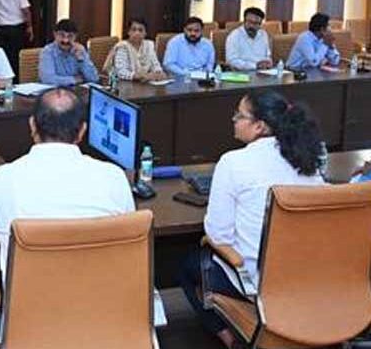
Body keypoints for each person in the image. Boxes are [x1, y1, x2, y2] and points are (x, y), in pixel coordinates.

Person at [179, 90, 324, 349]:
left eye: (240, 115)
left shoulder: (234, 162)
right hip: (310, 279)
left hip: (258, 284)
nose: (234, 120)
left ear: (259, 126)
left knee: (188, 265)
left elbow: (218, 235)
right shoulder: (309, 161)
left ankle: (233, 340)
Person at [0, 87, 134, 280]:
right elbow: (129, 239)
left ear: (32, 125)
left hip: (29, 300)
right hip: (104, 297)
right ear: (82, 130)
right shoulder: (115, 178)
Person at [102, 18, 167, 82]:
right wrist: (140, 76)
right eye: (134, 30)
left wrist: (158, 73)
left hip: (144, 83)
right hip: (124, 84)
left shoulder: (149, 45)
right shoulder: (123, 46)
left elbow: (156, 66)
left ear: (145, 33)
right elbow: (121, 72)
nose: (137, 33)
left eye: (140, 30)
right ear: (129, 32)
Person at [38, 19, 99, 86]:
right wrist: (74, 79)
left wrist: (81, 60)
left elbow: (94, 78)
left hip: (76, 90)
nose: (65, 40)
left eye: (70, 36)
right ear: (55, 35)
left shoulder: (79, 50)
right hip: (55, 90)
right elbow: (48, 79)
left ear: (75, 36)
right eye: (62, 35)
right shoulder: (47, 52)